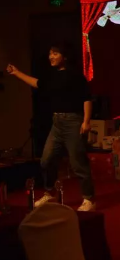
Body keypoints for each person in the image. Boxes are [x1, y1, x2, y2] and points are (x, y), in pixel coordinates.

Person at [6, 42, 96, 211]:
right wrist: (17, 73)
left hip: (73, 122)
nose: (51, 57)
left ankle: (89, 198)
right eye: (50, 54)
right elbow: (37, 83)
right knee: (46, 159)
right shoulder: (52, 76)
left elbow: (86, 98)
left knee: (78, 163)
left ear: (65, 56)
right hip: (57, 123)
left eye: (55, 53)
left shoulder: (75, 76)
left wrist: (86, 121)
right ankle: (50, 193)